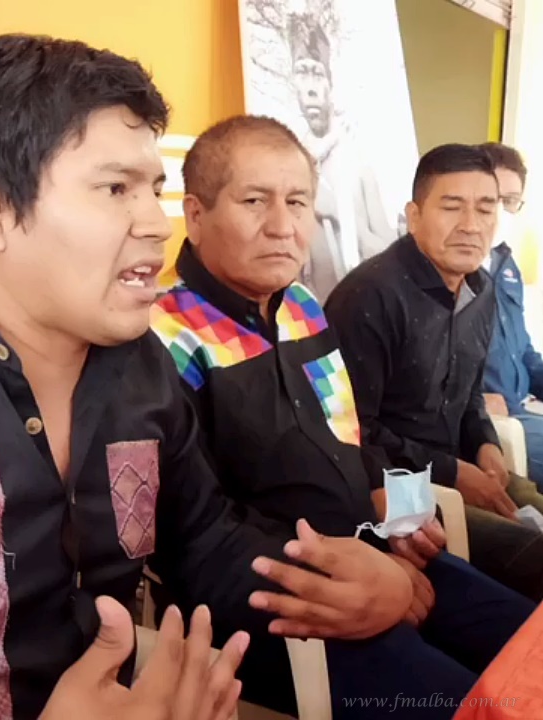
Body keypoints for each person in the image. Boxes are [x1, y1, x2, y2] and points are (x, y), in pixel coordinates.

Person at [0, 35, 418, 719]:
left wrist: (345, 582)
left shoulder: (140, 370)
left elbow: (207, 543)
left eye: (154, 190)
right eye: (115, 190)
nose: (156, 225)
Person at [151, 118, 534, 719]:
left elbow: (352, 439)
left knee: (529, 648)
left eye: (298, 202)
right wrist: (366, 579)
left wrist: (405, 513)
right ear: (195, 215)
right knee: (482, 708)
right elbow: (199, 535)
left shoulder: (301, 307)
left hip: (375, 549)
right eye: (255, 201)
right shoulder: (164, 342)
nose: (283, 226)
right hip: (285, 599)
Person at [325, 143, 543, 602]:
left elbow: (469, 397)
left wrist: (484, 443)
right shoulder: (369, 296)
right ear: (414, 215)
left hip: (461, 467)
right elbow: (353, 433)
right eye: (452, 206)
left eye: (486, 208)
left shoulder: (481, 289)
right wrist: (453, 472)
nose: (471, 225)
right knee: (534, 557)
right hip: (395, 486)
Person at [287, 10, 396, 302]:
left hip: (362, 313)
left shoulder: (358, 162)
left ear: (330, 82)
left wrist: (340, 212)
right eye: (301, 72)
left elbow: (391, 261)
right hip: (305, 316)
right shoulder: (287, 166)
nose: (311, 88)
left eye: (317, 73)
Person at [479, 142, 543, 491]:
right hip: (491, 424)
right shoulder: (451, 271)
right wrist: (476, 403)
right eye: (494, 198)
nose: (502, 211)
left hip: (521, 410)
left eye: (511, 201)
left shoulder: (507, 265)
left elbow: (524, 351)